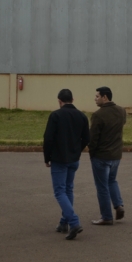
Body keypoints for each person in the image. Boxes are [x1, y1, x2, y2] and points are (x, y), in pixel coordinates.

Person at [43, 88, 90, 240]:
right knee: (68, 189)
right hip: (73, 159)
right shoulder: (82, 116)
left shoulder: (55, 115)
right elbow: (86, 138)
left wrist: (47, 157)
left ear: (59, 101)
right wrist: (77, 151)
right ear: (73, 99)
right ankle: (64, 222)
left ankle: (74, 221)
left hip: (59, 158)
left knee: (59, 191)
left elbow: (48, 138)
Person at [87, 86, 126, 226]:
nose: (95, 98)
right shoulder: (121, 111)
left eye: (97, 96)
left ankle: (106, 216)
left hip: (101, 155)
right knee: (112, 180)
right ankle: (118, 205)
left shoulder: (98, 115)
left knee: (102, 186)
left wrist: (92, 153)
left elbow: (93, 138)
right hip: (116, 154)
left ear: (105, 97)